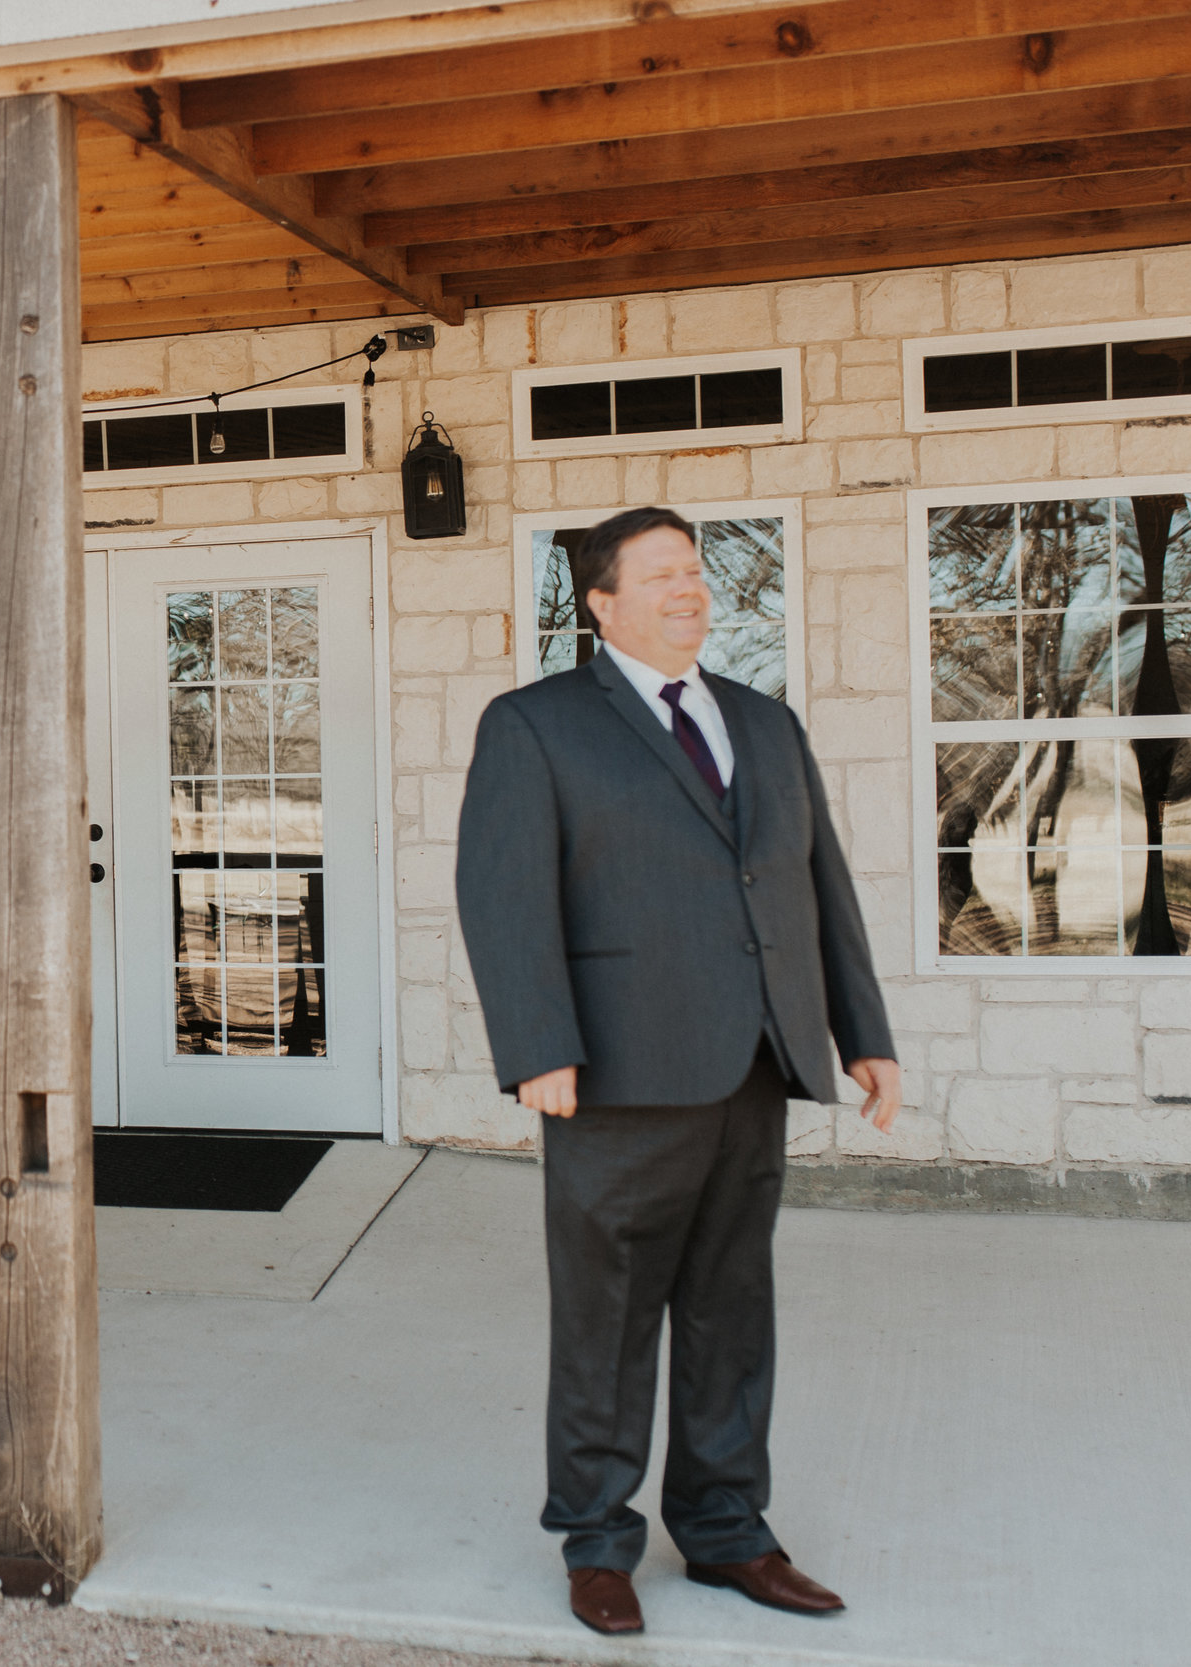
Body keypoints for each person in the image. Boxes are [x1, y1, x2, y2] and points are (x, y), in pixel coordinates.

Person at [454, 507, 901, 1638]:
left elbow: (819, 888)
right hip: (615, 1069)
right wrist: (534, 1043)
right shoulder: (535, 725)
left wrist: (862, 1031)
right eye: (659, 575)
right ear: (600, 602)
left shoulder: (764, 721)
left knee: (730, 1307)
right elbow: (505, 896)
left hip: (754, 1062)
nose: (688, 590)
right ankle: (598, 1539)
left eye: (694, 571)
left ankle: (726, 1528)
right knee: (606, 1313)